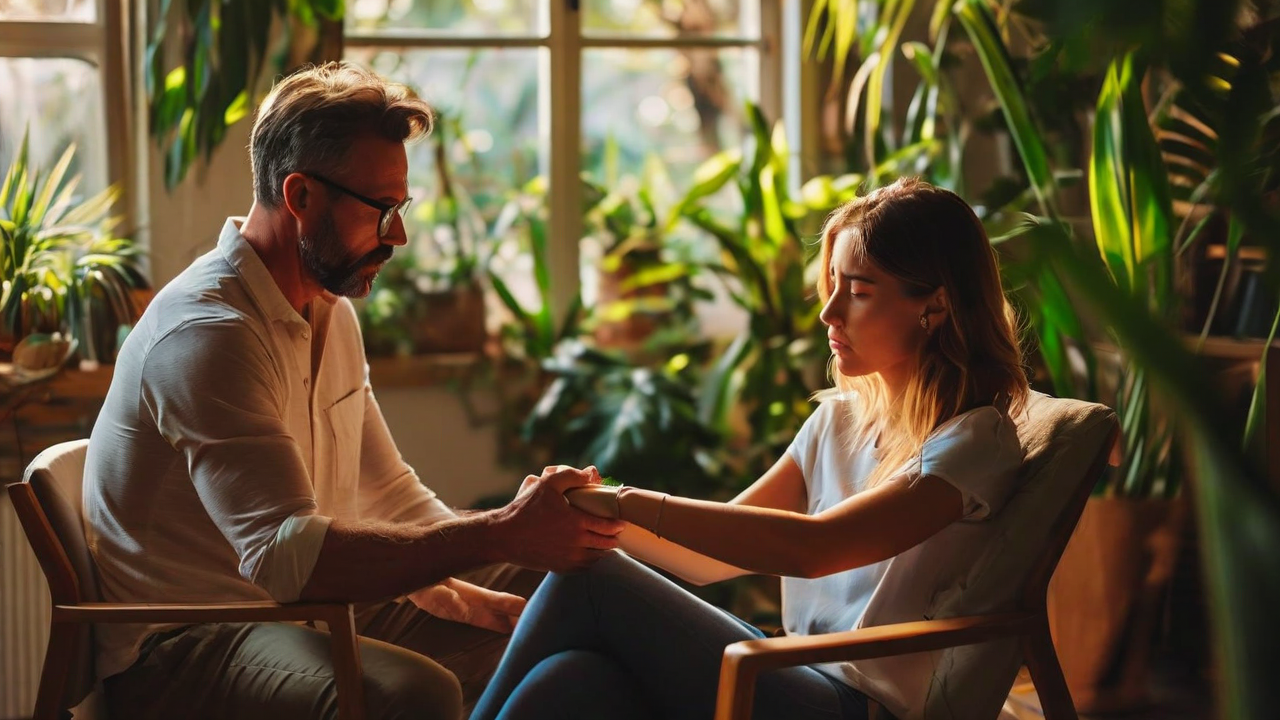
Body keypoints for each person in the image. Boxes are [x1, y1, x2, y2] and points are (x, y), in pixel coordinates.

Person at [82, 61, 623, 720]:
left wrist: (496, 573)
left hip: (304, 611)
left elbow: (390, 496)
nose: (397, 235)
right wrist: (501, 533)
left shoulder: (327, 308)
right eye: (381, 209)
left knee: (577, 589)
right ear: (301, 195)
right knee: (417, 693)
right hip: (187, 645)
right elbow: (288, 560)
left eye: (401, 208)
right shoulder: (209, 332)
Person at [470, 177, 1031, 720]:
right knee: (570, 681)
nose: (828, 313)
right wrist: (585, 506)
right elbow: (711, 558)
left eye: (858, 292)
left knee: (590, 585)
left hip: (852, 705)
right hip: (795, 675)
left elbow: (816, 548)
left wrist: (624, 501)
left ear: (933, 306)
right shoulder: (838, 419)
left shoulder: (973, 441)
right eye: (831, 285)